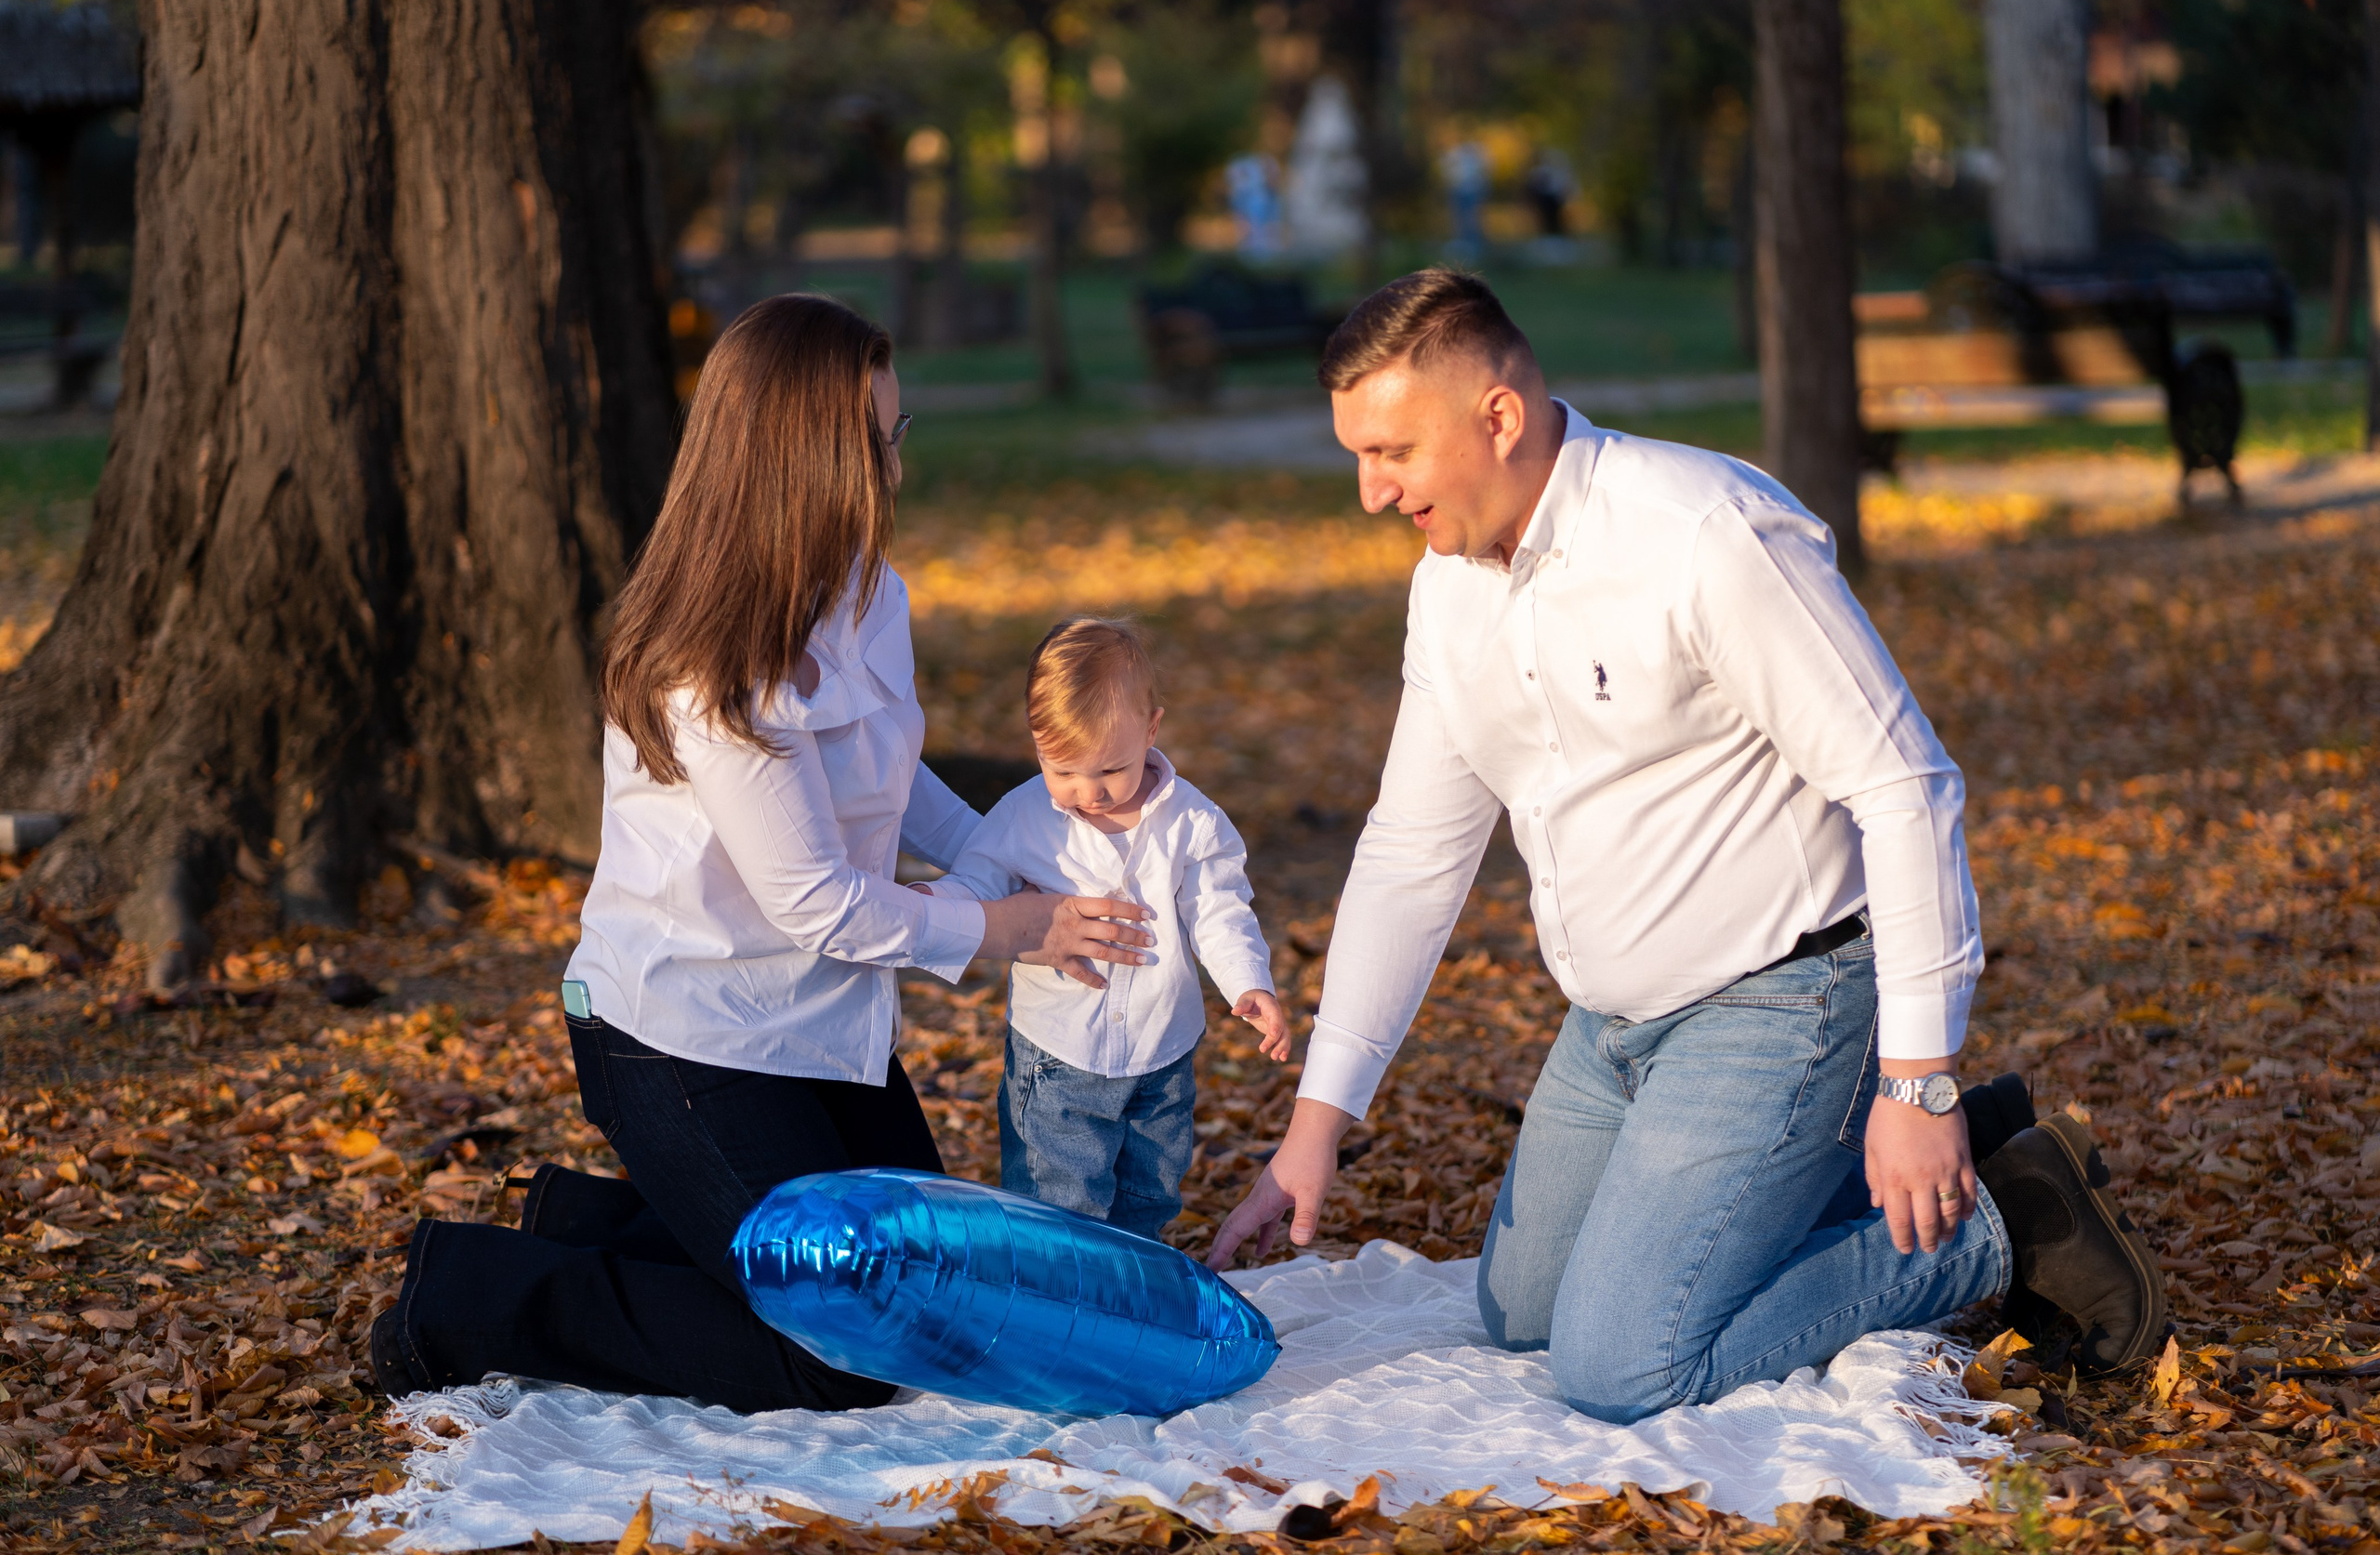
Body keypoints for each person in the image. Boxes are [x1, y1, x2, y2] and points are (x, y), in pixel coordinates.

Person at [1205, 270, 2166, 1423]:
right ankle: (1879, 1167)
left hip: (1786, 1001)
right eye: (1357, 456)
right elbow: (1412, 852)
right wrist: (1316, 1130)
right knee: (1521, 1312)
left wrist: (1919, 1079)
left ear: (1497, 417)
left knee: (1623, 1367)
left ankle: (2001, 1217)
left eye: (1392, 452)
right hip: (1611, 1030)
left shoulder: (1705, 533)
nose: (1370, 492)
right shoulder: (1448, 591)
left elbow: (1906, 788)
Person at [369, 295, 1157, 1414]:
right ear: (812, 458)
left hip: (818, 1022)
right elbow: (822, 907)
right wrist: (1009, 929)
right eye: (882, 441)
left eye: (898, 432)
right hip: (684, 1040)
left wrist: (1012, 856)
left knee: (922, 1283)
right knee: (839, 1352)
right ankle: (471, 1296)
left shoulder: (867, 588)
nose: (898, 464)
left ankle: (598, 1222)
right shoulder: (711, 669)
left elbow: (896, 776)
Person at [927, 618, 1289, 1239]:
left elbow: (1219, 906)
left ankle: (1129, 1301)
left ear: (1151, 728)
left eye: (1109, 771)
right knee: (1059, 1198)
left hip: (1162, 1047)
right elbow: (979, 880)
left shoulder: (1191, 820)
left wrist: (1246, 981)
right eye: (1062, 770)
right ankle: (1058, 1310)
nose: (1086, 792)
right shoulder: (1023, 815)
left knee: (1149, 1193)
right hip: (1059, 1053)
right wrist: (936, 903)